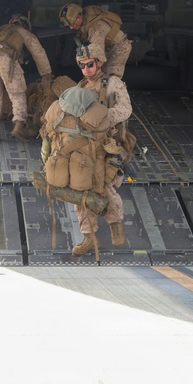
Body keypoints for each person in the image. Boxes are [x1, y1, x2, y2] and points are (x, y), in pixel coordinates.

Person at [67, 45, 132, 255]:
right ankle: (88, 237)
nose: (86, 69)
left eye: (90, 64)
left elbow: (125, 109)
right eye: (82, 65)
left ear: (99, 63)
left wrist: (101, 119)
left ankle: (115, 224)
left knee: (104, 187)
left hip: (106, 145)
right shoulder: (81, 87)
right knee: (79, 189)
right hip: (85, 146)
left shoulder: (113, 83)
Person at [0, 14, 53, 142]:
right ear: (25, 25)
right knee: (17, 93)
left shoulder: (0, 29)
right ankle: (18, 126)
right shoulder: (22, 32)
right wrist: (46, 73)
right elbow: (38, 51)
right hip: (5, 59)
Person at [58, 3, 132, 78]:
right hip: (106, 47)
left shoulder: (96, 28)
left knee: (109, 79)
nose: (71, 27)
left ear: (79, 17)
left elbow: (96, 54)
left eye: (72, 24)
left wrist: (90, 77)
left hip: (118, 48)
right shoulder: (86, 18)